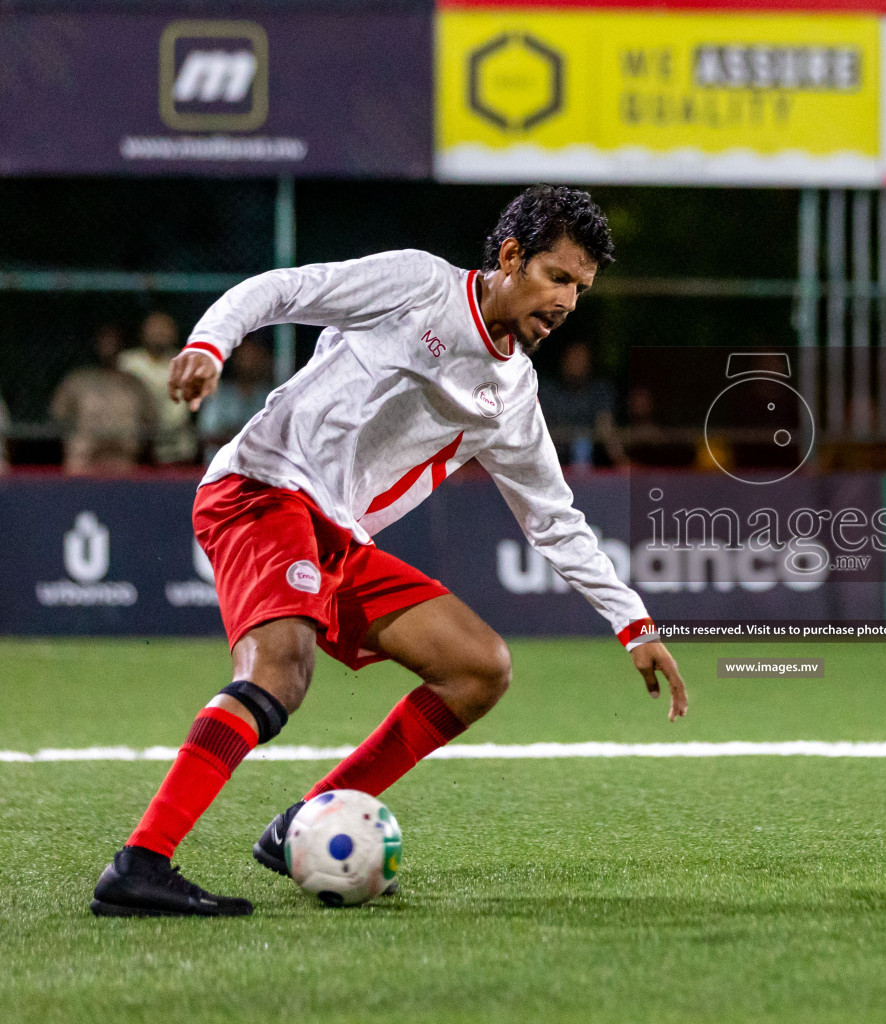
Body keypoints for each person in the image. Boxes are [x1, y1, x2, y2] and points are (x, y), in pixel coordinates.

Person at [91, 185, 689, 918]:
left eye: (581, 289)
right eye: (557, 277)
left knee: (479, 669)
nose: (567, 302)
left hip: (337, 534)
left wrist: (635, 623)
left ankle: (300, 826)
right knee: (280, 672)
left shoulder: (514, 394)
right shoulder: (417, 286)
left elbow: (554, 520)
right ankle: (141, 864)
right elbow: (284, 290)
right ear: (509, 258)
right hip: (264, 488)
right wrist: (210, 344)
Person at [49, 325, 157, 476]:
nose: (108, 347)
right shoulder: (76, 382)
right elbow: (58, 418)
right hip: (83, 462)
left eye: (113, 341)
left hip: (123, 462)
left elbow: (150, 422)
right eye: (103, 342)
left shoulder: (134, 385)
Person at [120, 311, 199, 464]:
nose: (159, 332)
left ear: (174, 333)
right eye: (154, 328)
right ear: (142, 332)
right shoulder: (126, 362)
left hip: (178, 448)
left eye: (164, 328)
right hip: (138, 445)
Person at [539, 339, 626, 469]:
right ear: (563, 361)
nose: (577, 364)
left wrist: (622, 463)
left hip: (593, 464)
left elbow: (605, 427)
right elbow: (539, 430)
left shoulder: (600, 390)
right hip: (553, 462)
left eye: (582, 358)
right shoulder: (546, 391)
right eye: (573, 358)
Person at [197, 336, 274, 461]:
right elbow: (208, 435)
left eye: (254, 357)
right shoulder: (219, 395)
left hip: (260, 469)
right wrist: (250, 438)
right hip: (221, 468)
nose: (248, 363)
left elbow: (275, 439)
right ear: (235, 361)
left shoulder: (271, 397)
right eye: (244, 357)